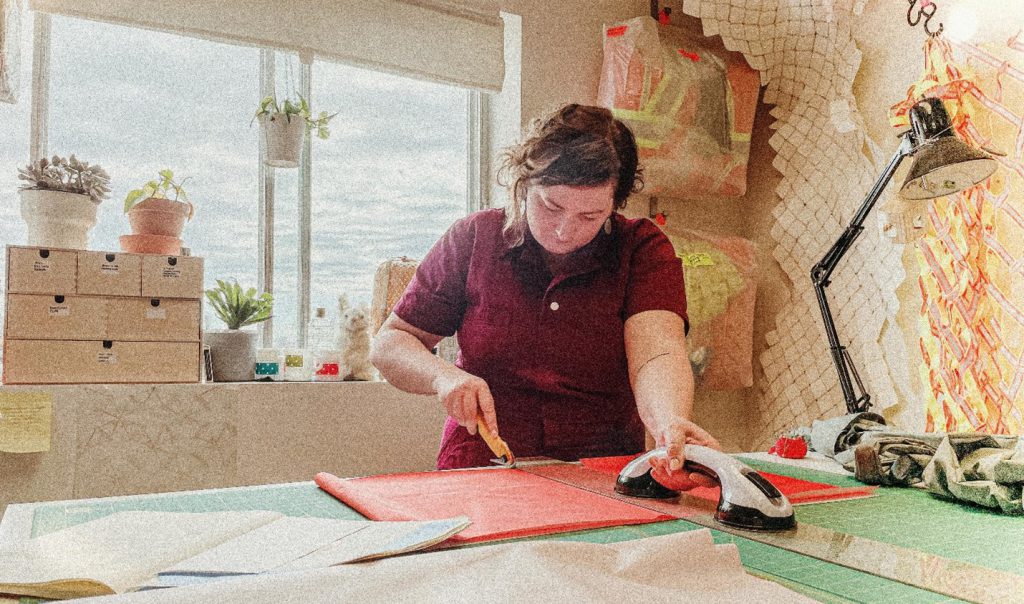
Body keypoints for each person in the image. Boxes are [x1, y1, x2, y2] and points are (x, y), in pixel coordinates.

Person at [370, 103, 720, 491]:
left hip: (603, 474)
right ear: (523, 184)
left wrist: (668, 422)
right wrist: (442, 376)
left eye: (590, 216)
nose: (563, 231)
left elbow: (656, 354)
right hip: (479, 471)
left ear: (615, 205)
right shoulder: (473, 238)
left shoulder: (642, 249)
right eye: (550, 206)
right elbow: (391, 343)